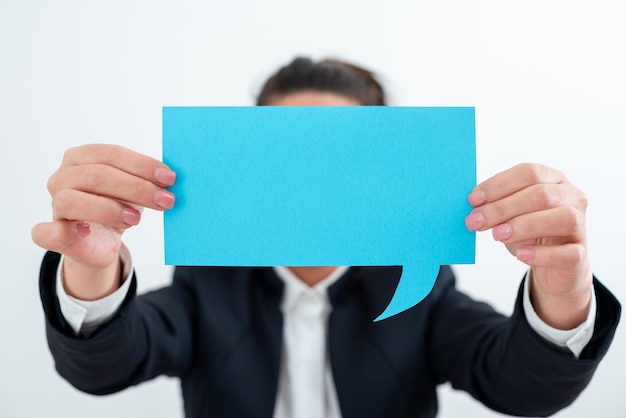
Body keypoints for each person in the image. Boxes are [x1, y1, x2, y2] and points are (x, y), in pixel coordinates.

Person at [33, 57, 620, 418]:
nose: (309, 183)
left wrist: (563, 294)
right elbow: (105, 368)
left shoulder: (420, 290)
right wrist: (91, 267)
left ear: (379, 175)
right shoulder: (205, 285)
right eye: (285, 156)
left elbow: (524, 388)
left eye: (338, 158)